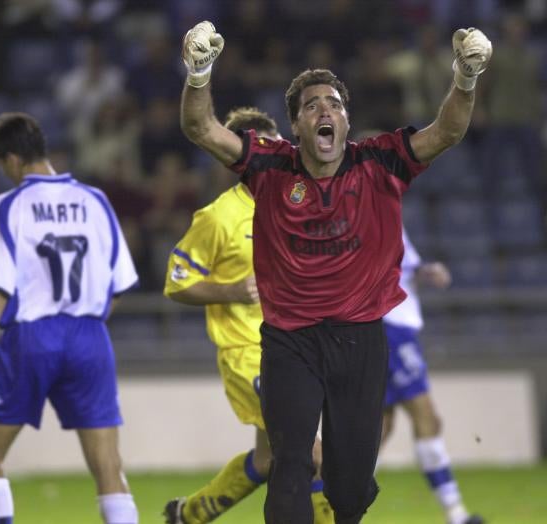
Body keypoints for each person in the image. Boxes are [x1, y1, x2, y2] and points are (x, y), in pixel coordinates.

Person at [179, 21, 491, 524]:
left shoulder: (381, 161)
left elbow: (448, 131)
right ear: (297, 127)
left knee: (348, 488)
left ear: (347, 122)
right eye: (312, 106)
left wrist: (466, 76)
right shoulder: (269, 166)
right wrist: (198, 72)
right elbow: (201, 129)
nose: (325, 111)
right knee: (291, 465)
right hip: (290, 341)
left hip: (361, 339)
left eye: (335, 105)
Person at [0, 112, 140, 524]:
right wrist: (86, 325)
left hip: (32, 337)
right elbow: (121, 284)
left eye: (3, 165)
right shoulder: (96, 201)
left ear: (12, 159)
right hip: (91, 335)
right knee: (108, 466)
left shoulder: (7, 206)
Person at [162, 107, 333, 524]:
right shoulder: (219, 217)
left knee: (268, 457)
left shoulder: (295, 206)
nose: (276, 156)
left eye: (279, 147)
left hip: (293, 346)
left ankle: (190, 514)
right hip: (246, 352)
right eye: (264, 148)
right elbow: (176, 282)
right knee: (312, 452)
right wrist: (231, 290)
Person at [381, 229, 484, 524]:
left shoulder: (386, 212)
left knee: (380, 427)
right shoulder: (375, 205)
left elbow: (405, 265)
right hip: (391, 328)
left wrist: (427, 271)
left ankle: (335, 508)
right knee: (426, 416)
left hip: (389, 326)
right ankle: (456, 514)